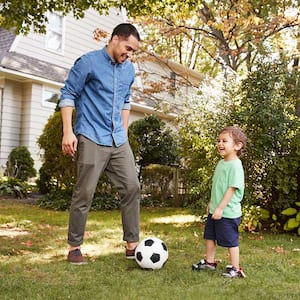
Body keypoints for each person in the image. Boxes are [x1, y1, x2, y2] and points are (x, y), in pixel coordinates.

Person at [59, 23, 141, 264]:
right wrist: (68, 132)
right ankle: (74, 247)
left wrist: (124, 134)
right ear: (115, 39)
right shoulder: (88, 62)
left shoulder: (129, 70)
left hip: (118, 139)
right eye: (128, 48)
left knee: (132, 187)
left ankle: (132, 245)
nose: (130, 54)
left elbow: (126, 102)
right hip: (91, 135)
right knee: (84, 193)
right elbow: (68, 94)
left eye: (134, 51)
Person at [192, 126, 247, 278]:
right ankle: (210, 262)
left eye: (224, 141)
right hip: (215, 209)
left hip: (227, 212)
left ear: (237, 146)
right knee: (209, 236)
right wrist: (212, 202)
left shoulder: (235, 166)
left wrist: (221, 208)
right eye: (219, 141)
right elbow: (218, 186)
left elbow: (232, 189)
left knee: (230, 241)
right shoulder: (221, 163)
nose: (220, 144)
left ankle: (236, 268)